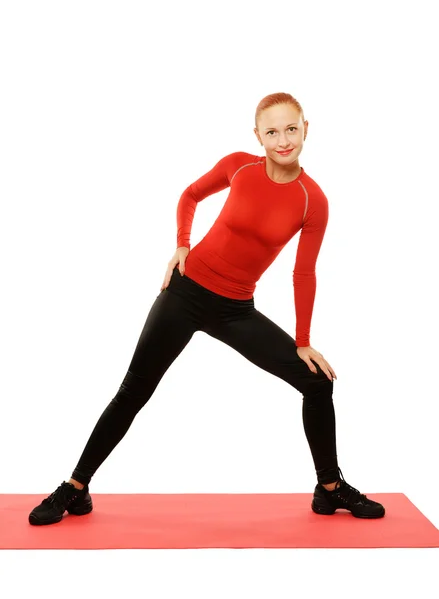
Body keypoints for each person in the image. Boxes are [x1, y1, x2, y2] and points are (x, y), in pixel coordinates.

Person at [29, 92, 385, 526]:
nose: (283, 139)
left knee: (317, 382)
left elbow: (303, 274)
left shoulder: (313, 200)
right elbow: (190, 195)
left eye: (291, 128)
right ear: (258, 136)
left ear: (306, 128)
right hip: (186, 293)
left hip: (236, 309)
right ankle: (76, 488)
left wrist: (304, 343)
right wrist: (182, 243)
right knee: (134, 389)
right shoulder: (239, 165)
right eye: (271, 131)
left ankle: (329, 490)